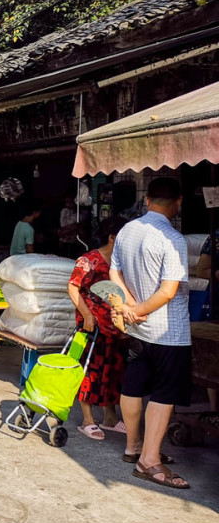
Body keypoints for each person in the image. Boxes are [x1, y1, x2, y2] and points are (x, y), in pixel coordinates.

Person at [110, 178, 191, 490]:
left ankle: (134, 447)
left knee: (133, 384)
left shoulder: (128, 230)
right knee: (164, 393)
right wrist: (141, 308)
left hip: (137, 327)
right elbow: (168, 291)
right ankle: (149, 460)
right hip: (169, 332)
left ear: (147, 201)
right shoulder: (172, 238)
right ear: (178, 202)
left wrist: (130, 307)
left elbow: (114, 271)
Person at [67, 217, 129, 441]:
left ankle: (110, 418)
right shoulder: (89, 260)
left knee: (113, 371)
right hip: (92, 327)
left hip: (117, 327)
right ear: (112, 238)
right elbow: (73, 288)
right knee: (90, 372)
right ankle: (88, 420)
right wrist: (86, 315)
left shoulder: (121, 263)